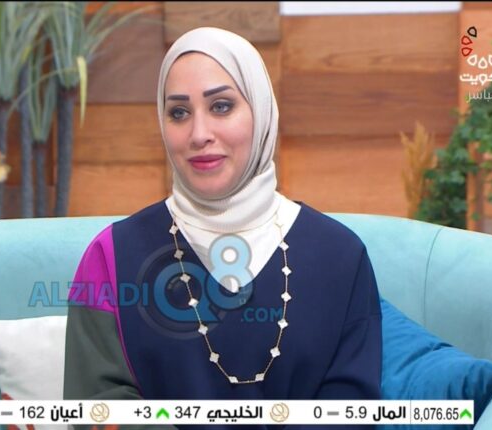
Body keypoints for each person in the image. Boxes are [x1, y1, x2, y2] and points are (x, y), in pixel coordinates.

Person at [64, 27, 382, 429]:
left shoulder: (340, 256)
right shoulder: (110, 257)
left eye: (221, 106)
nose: (199, 134)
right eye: (179, 113)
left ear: (261, 112)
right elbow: (96, 408)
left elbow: (351, 410)